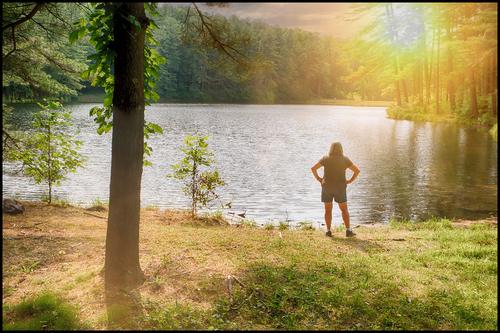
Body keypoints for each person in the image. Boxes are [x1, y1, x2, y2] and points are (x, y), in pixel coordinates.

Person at [310, 142, 360, 237]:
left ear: (331, 149)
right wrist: (350, 181)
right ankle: (348, 231)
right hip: (340, 188)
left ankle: (328, 231)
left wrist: (319, 179)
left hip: (327, 187)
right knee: (344, 210)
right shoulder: (345, 159)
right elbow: (357, 171)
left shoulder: (325, 159)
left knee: (328, 210)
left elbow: (313, 169)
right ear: (341, 149)